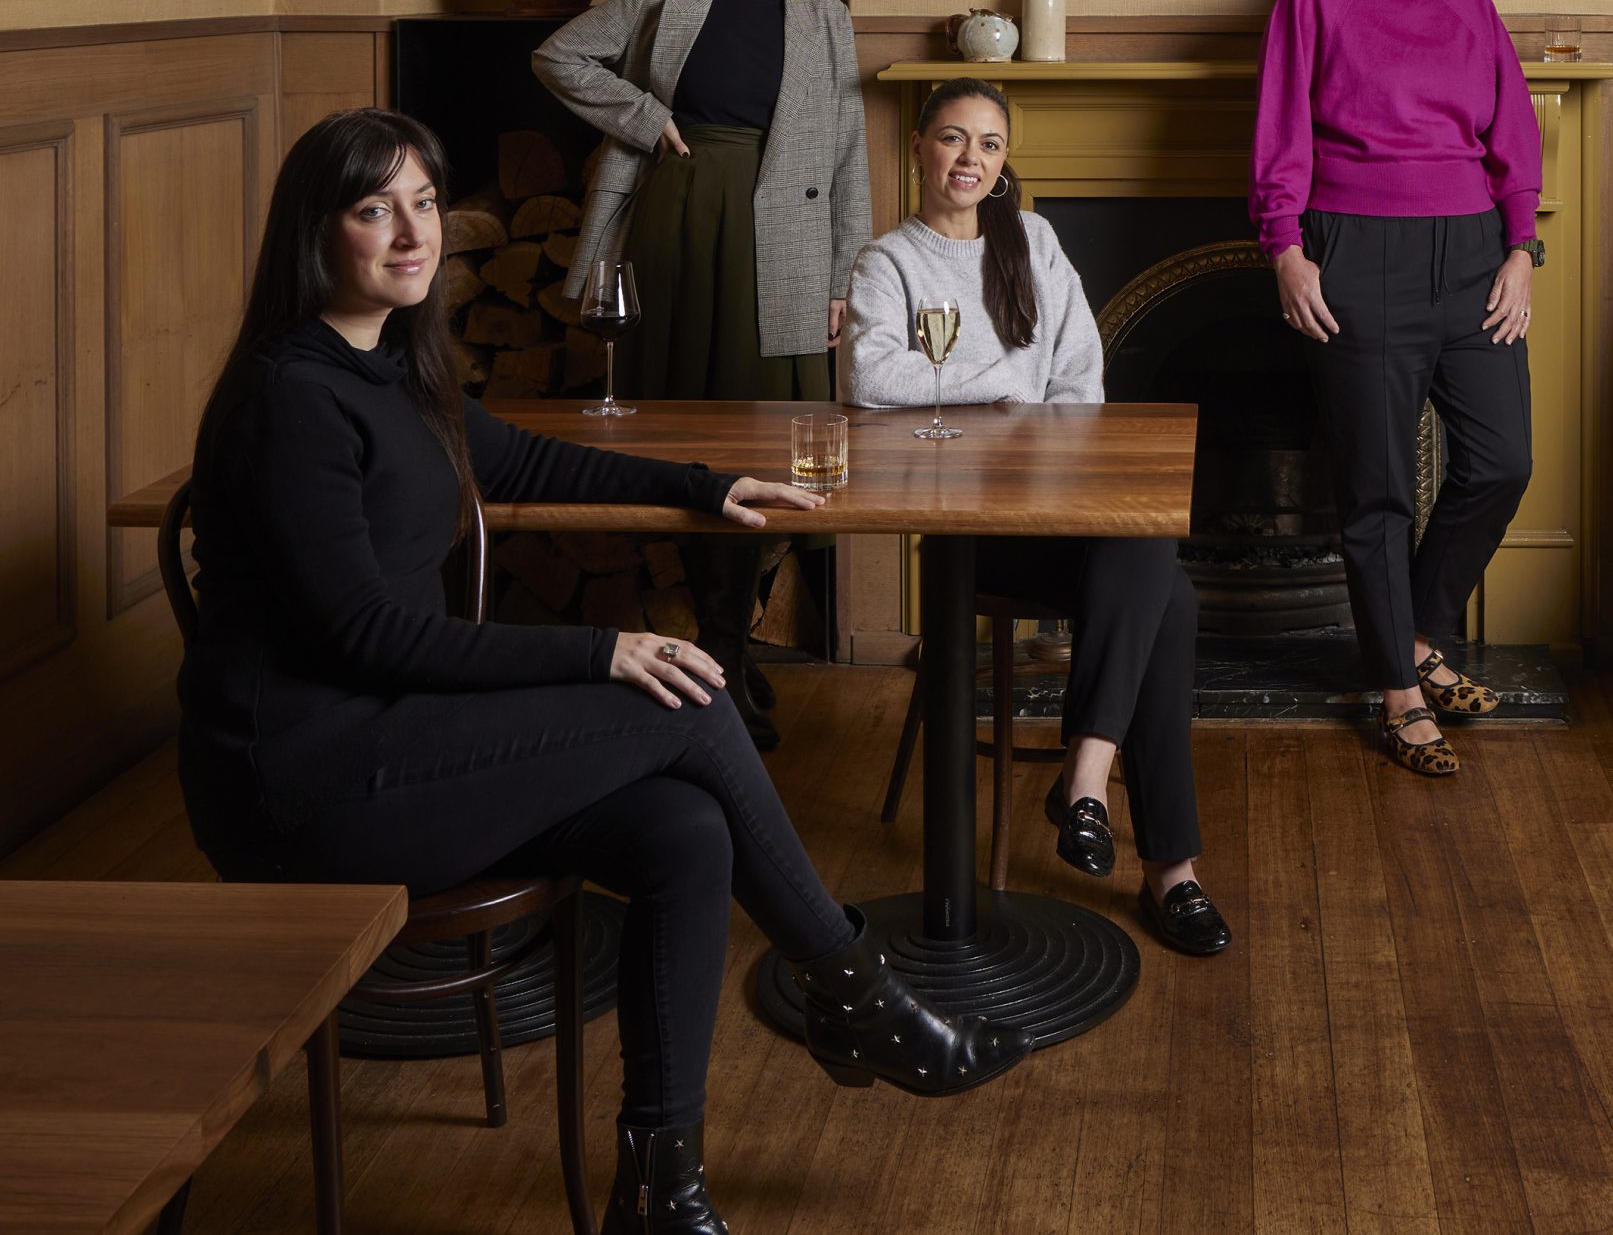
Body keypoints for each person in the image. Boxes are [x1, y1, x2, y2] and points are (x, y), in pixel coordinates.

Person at [177, 109, 1029, 1235]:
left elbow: (527, 458)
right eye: (375, 209)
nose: (414, 234)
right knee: (687, 700)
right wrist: (602, 647)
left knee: (685, 829)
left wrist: (703, 484)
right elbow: (363, 636)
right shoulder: (292, 395)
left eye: (425, 202)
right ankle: (853, 990)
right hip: (303, 784)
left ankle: (659, 1190)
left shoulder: (391, 364)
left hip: (402, 741)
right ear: (315, 230)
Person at [845, 78, 1229, 956]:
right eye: (952, 138)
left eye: (988, 144)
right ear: (919, 148)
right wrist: (1005, 387)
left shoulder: (1034, 241)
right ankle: (1167, 868)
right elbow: (870, 378)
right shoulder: (887, 262)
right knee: (1167, 594)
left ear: (1003, 160)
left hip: (1053, 507)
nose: (969, 159)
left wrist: (1041, 446)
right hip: (968, 531)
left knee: (1150, 551)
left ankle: (1087, 782)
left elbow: (1082, 379)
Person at [534, 0, 870, 750]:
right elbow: (559, 55)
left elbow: (848, 151)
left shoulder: (826, 16)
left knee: (766, 439)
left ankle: (728, 643)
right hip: (678, 230)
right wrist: (647, 118)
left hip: (786, 246)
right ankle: (722, 654)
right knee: (685, 433)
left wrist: (843, 274)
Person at [1248, 0, 1537, 777]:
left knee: (1501, 462)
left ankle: (1410, 637)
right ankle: (1400, 692)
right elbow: (1281, 125)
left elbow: (1513, 138)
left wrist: (1522, 250)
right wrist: (1286, 249)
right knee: (1377, 488)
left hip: (1474, 254)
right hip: (1357, 250)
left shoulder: (1472, 4)